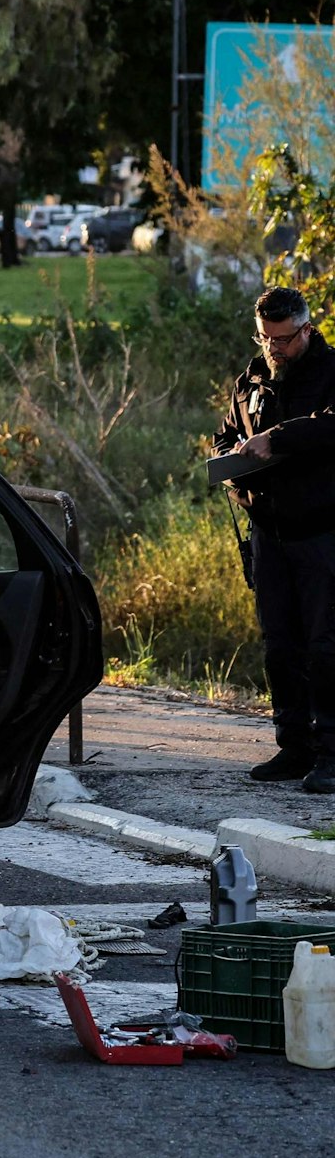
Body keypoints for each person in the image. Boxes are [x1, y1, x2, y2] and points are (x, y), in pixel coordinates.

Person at [219, 285, 335, 791]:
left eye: (284, 340)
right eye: (266, 339)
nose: (274, 350)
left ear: (305, 330)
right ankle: (294, 747)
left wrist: (277, 439)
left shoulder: (333, 372)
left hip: (322, 533)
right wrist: (230, 463)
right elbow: (225, 436)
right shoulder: (251, 378)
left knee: (326, 646)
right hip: (268, 532)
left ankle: (332, 753)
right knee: (279, 645)